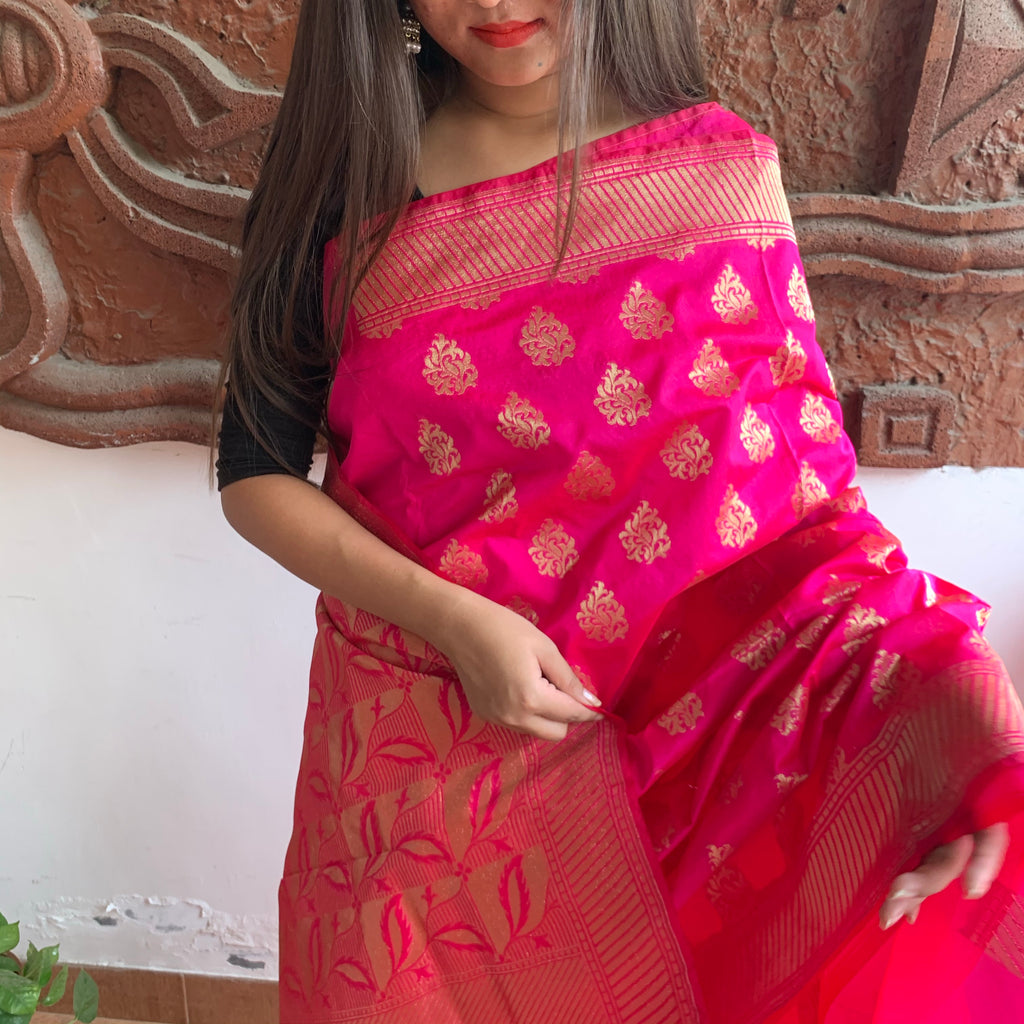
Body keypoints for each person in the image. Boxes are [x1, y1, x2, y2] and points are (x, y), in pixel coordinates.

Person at [215, 2, 1024, 1021]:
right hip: (425, 739)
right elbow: (254, 472)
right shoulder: (346, 182)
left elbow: (812, 538)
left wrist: (966, 738)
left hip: (694, 751)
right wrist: (457, 623)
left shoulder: (713, 180)